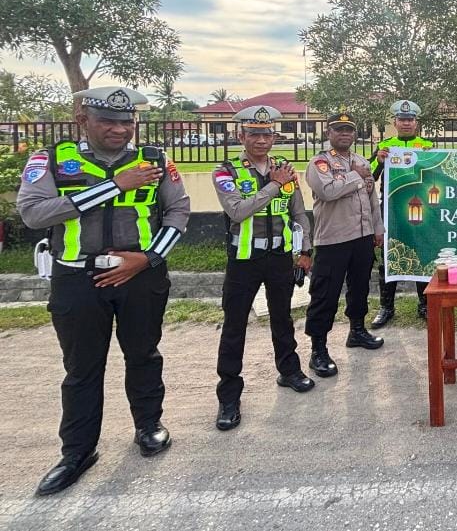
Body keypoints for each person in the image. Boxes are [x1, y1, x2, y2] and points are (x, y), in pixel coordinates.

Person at [17, 86, 190, 496]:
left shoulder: (154, 159)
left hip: (141, 274)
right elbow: (33, 213)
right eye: (108, 121)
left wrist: (147, 259)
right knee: (82, 368)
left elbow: (178, 211)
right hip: (79, 278)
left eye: (126, 122)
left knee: (144, 355)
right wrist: (114, 184)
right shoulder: (53, 160)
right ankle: (77, 452)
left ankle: (149, 426)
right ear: (83, 121)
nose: (119, 129)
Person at [213, 105, 314, 432]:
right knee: (234, 326)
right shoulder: (226, 172)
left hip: (279, 258)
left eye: (266, 133)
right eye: (253, 133)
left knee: (283, 317)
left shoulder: (285, 169)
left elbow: (298, 213)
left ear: (274, 136)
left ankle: (289, 370)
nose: (260, 139)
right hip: (243, 261)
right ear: (240, 135)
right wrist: (272, 185)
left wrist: (305, 250)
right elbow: (238, 212)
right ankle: (229, 396)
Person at [304, 111, 385, 379]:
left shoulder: (361, 161)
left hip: (362, 237)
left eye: (349, 130)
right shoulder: (320, 163)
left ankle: (357, 330)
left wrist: (377, 228)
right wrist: (354, 175)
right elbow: (328, 192)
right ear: (329, 134)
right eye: (339, 130)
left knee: (360, 287)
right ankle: (318, 350)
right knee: (325, 294)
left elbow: (372, 197)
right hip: (333, 239)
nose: (345, 134)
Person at [369, 99, 434, 327]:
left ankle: (425, 304)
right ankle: (386, 307)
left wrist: (432, 158)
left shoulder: (426, 145)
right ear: (395, 122)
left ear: (416, 123)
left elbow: (437, 176)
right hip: (392, 209)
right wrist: (377, 161)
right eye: (402, 120)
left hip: (421, 208)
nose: (406, 123)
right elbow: (370, 177)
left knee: (421, 253)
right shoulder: (386, 145)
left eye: (410, 120)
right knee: (388, 256)